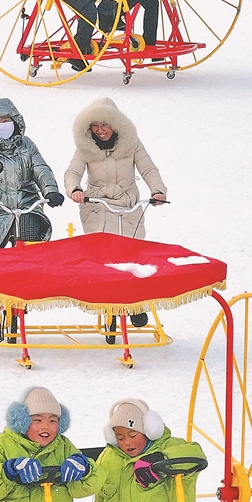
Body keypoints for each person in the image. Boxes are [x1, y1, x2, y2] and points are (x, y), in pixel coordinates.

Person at [0, 98, 63, 342]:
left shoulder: (27, 146)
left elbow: (41, 168)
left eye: (7, 121)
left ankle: (20, 302)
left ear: (16, 122)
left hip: (26, 207)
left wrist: (50, 190)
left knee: (28, 251)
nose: (3, 125)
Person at [64, 96, 167, 328]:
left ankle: (136, 305)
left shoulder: (132, 143)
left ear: (115, 124)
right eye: (96, 126)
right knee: (105, 254)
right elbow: (72, 172)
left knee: (133, 254)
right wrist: (75, 189)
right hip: (98, 205)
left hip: (128, 205)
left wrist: (158, 191)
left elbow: (148, 168)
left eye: (105, 125)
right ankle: (106, 299)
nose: (101, 131)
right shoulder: (85, 147)